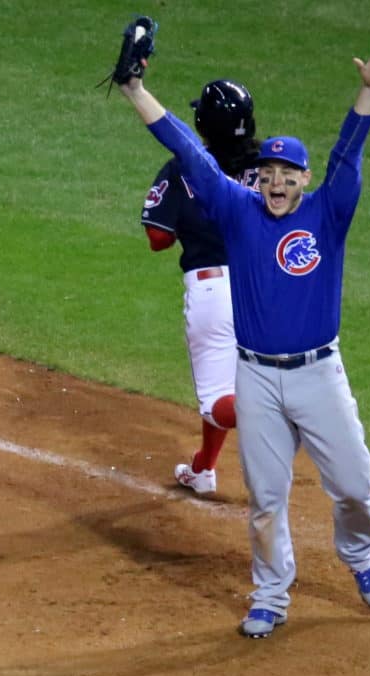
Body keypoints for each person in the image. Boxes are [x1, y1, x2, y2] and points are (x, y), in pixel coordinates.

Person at [121, 35, 370, 638]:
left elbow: (349, 152)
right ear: (260, 179)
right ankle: (271, 595)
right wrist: (135, 90)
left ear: (304, 179)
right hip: (255, 377)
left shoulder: (329, 212)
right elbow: (185, 146)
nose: (277, 184)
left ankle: (360, 557)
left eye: (287, 175)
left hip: (319, 374)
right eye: (269, 174)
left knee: (353, 485)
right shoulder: (237, 209)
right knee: (266, 499)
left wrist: (369, 93)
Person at [140, 79, 260, 496]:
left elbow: (158, 238)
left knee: (218, 404)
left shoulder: (186, 168)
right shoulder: (273, 165)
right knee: (239, 380)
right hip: (264, 290)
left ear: (203, 126)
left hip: (213, 293)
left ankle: (286, 411)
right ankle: (204, 468)